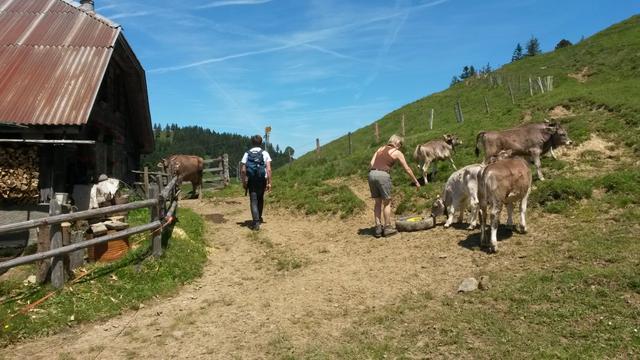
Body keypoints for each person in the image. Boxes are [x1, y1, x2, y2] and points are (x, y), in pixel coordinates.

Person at [368, 134, 420, 238]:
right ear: (396, 142)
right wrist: (415, 181)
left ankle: (378, 228)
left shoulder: (380, 149)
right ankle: (387, 227)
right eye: (400, 144)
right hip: (383, 175)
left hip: (371, 174)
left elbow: (371, 162)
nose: (400, 146)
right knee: (387, 202)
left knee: (377, 202)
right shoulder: (397, 152)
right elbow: (407, 169)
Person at [241, 135, 272, 231]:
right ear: (260, 143)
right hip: (262, 179)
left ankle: (256, 222)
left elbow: (243, 170)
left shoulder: (247, 153)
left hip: (252, 180)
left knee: (253, 200)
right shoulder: (265, 153)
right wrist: (269, 182)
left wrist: (244, 182)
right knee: (260, 198)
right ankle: (259, 217)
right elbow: (269, 169)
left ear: (252, 143)